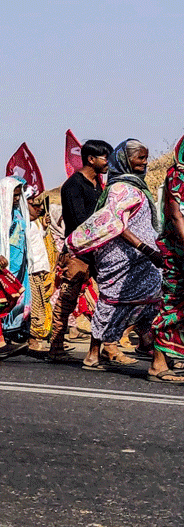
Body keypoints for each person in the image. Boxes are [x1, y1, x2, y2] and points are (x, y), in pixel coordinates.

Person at [65, 139, 163, 372]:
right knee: (111, 303)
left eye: (145, 157)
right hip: (121, 257)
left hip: (141, 260)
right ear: (125, 159)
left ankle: (156, 353)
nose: (144, 162)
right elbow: (115, 224)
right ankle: (93, 354)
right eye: (140, 157)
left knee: (153, 302)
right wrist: (148, 249)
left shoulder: (136, 186)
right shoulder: (120, 189)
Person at [46, 138, 112, 353]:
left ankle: (110, 346)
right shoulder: (74, 185)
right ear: (91, 159)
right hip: (78, 252)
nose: (108, 163)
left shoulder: (98, 185)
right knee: (68, 299)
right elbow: (79, 220)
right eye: (105, 158)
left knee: (111, 296)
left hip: (98, 250)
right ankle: (55, 344)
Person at [0, 177, 33, 356]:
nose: (18, 199)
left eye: (19, 196)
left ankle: (0, 339)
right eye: (15, 196)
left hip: (17, 264)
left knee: (8, 300)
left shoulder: (17, 212)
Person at [148, 134, 184, 382]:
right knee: (173, 304)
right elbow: (177, 216)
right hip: (178, 253)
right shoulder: (178, 176)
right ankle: (158, 364)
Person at [24, 192, 58, 356]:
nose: (38, 209)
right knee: (34, 306)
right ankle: (32, 340)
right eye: (33, 204)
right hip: (31, 270)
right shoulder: (23, 223)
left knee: (39, 305)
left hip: (39, 269)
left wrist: (44, 227)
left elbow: (38, 239)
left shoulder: (33, 224)